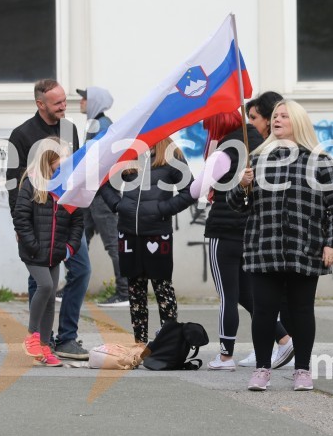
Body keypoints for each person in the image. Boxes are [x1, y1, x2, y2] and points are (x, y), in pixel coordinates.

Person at [228, 100, 333, 391]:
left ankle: (303, 370)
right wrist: (241, 186)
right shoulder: (257, 159)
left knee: (301, 311)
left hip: (304, 247)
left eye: (284, 115)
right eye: (275, 116)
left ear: (298, 121)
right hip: (263, 247)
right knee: (264, 311)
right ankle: (262, 369)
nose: (277, 119)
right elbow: (236, 206)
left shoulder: (319, 160)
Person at [191, 111, 294, 371]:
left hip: (223, 230)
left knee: (228, 295)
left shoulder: (224, 150)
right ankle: (283, 338)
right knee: (248, 295)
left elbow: (197, 189)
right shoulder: (259, 146)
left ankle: (225, 356)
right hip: (249, 230)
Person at [6, 79, 90, 360]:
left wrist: (79, 217)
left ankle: (67, 337)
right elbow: (12, 183)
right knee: (41, 282)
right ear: (40, 104)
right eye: (58, 103)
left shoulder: (70, 129)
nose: (65, 106)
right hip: (38, 220)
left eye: (65, 100)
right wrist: (20, 226)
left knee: (81, 270)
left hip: (68, 219)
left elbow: (75, 175)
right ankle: (43, 340)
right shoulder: (21, 134)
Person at [99, 137, 196, 345]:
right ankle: (139, 344)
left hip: (157, 233)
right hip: (128, 233)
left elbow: (190, 192)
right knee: (135, 292)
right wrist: (118, 206)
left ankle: (168, 344)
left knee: (163, 289)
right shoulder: (127, 153)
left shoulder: (172, 154)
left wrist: (161, 209)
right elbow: (103, 182)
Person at [13, 137, 84, 368]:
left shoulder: (67, 185)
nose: (66, 161)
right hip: (33, 252)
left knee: (51, 296)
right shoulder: (31, 183)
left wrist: (69, 248)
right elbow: (21, 218)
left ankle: (45, 346)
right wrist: (33, 245)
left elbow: (77, 221)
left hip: (56, 252)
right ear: (49, 158)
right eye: (61, 156)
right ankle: (32, 336)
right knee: (44, 286)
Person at [76, 87, 128, 307]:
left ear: (95, 102)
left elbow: (98, 157)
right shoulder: (95, 124)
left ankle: (124, 292)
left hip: (101, 194)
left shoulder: (103, 125)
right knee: (79, 238)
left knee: (113, 243)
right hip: (91, 192)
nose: (81, 102)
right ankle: (72, 285)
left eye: (85, 98)